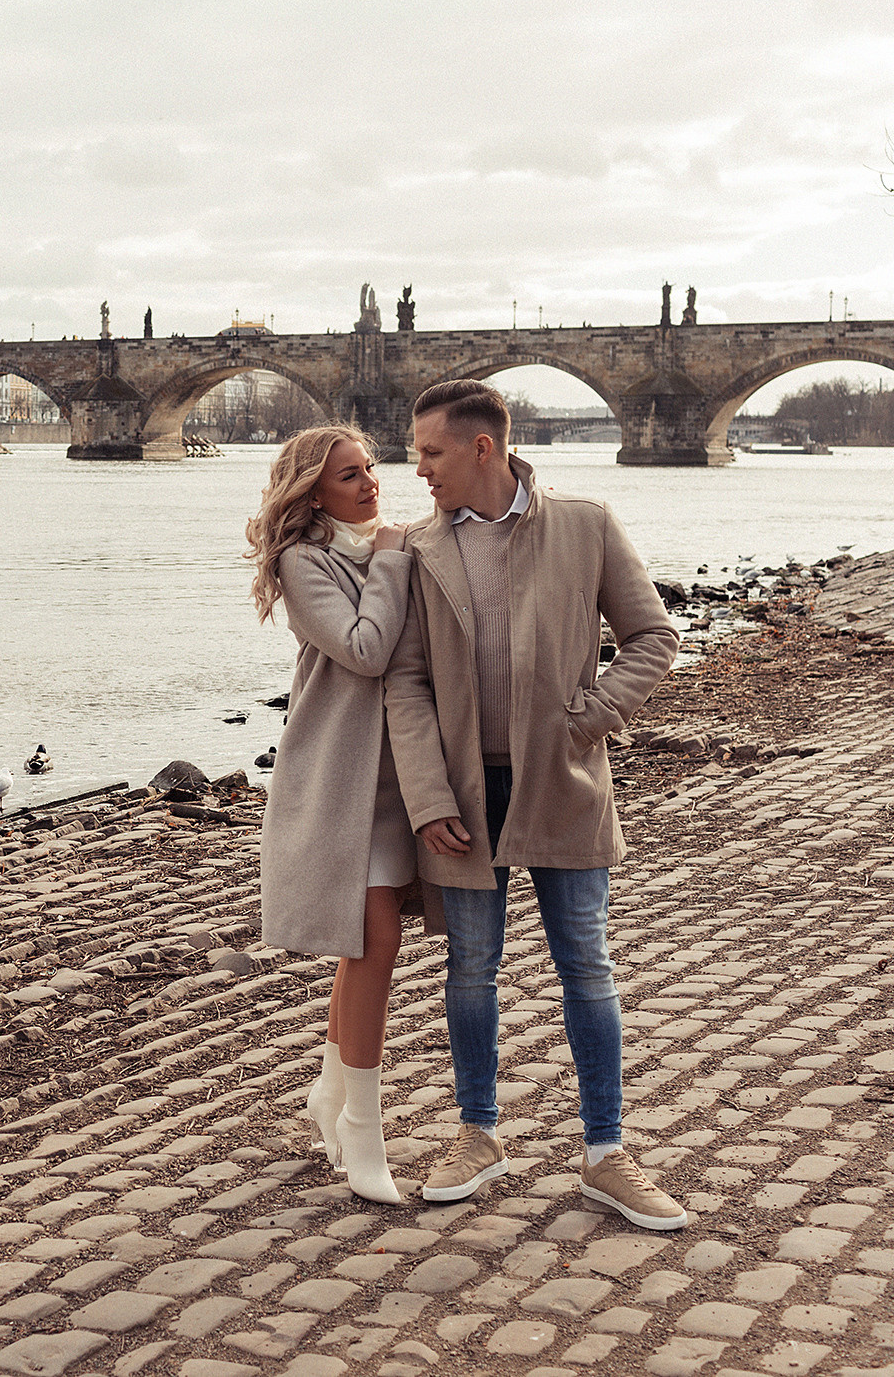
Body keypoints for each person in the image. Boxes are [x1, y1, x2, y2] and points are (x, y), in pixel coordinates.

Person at [382, 379, 687, 1230]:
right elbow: (405, 683)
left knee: (585, 966)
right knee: (469, 970)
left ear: (484, 448)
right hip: (461, 795)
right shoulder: (416, 546)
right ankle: (477, 1132)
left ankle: (606, 1153)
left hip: (562, 781)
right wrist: (426, 793)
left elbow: (654, 637)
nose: (419, 470)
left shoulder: (585, 525)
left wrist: (588, 718)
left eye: (431, 453)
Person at [248, 425, 422, 1204]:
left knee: (365, 945)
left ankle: (329, 1093)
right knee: (375, 938)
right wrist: (389, 558)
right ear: (312, 491)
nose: (369, 483)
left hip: (404, 778)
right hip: (341, 779)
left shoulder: (392, 543)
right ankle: (364, 1131)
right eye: (349, 476)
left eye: (371, 469)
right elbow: (366, 648)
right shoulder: (305, 560)